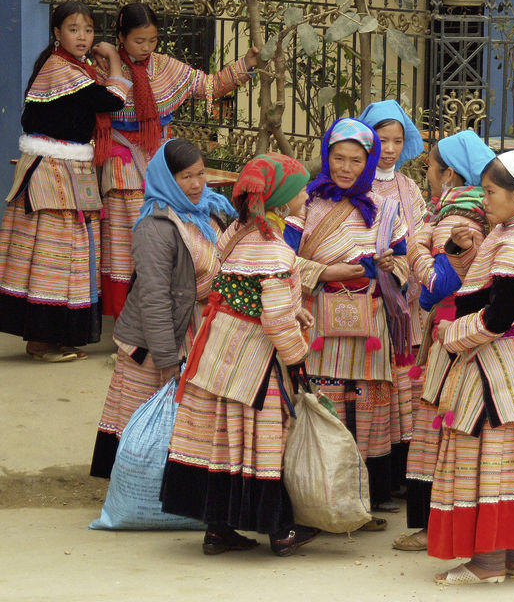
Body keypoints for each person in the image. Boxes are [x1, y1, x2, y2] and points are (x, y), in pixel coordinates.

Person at [160, 152, 318, 556]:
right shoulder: (275, 251)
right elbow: (276, 319)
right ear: (282, 200)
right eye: (300, 188)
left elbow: (238, 290)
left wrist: (287, 305)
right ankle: (281, 531)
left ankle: (218, 530)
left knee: (220, 439)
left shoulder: (238, 232)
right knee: (261, 442)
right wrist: (298, 358)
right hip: (253, 361)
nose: (306, 194)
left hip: (217, 349)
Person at [428, 148, 514, 585]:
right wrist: (458, 249)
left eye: (490, 191)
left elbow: (497, 314)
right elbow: (485, 292)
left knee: (487, 453)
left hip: (497, 361)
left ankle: (487, 562)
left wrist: (451, 336)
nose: (483, 200)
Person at [97, 2, 259, 318]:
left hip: (163, 168)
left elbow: (209, 85)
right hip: (122, 169)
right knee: (125, 244)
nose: (146, 48)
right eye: (138, 41)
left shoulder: (167, 67)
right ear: (121, 37)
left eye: (152, 40)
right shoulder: (103, 69)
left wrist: (245, 65)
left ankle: (160, 313)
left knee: (165, 239)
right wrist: (114, 62)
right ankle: (127, 319)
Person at [90, 138, 235, 478]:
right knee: (144, 419)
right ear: (168, 180)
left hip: (198, 330)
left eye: (200, 174)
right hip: (156, 340)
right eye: (186, 176)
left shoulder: (213, 210)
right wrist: (167, 360)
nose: (197, 184)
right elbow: (153, 298)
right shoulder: (156, 226)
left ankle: (175, 491)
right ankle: (136, 489)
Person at [289, 118, 408, 524]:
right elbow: (283, 259)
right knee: (326, 406)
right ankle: (322, 499)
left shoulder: (385, 207)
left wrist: (392, 265)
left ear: (368, 162)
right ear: (326, 156)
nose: (345, 167)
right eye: (338, 157)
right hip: (321, 320)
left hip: (370, 321)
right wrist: (329, 273)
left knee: (369, 409)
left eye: (355, 160)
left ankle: (362, 501)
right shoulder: (304, 203)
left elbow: (408, 259)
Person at [0, 1, 127, 362]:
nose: (83, 36)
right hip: (52, 171)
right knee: (52, 254)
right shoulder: (61, 69)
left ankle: (51, 336)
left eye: (88, 30)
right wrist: (115, 63)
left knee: (65, 254)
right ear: (57, 33)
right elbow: (112, 100)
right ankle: (41, 340)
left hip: (68, 169)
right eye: (74, 29)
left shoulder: (74, 68)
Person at [392, 130, 495, 552]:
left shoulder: (453, 222)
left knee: (438, 425)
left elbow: (435, 287)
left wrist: (416, 248)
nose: (429, 178)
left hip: (453, 335)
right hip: (477, 336)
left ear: (449, 173)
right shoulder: (486, 214)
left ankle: (431, 527)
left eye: (431, 169)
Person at [357, 100, 427, 497]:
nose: (390, 148)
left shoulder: (408, 186)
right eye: (382, 139)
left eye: (398, 140)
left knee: (405, 383)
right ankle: (377, 475)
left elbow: (419, 233)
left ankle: (404, 472)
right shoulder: (358, 183)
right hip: (369, 296)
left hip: (407, 298)